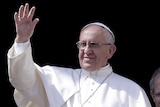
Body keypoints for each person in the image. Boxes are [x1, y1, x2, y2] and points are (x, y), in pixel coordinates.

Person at [7, 3, 152, 107]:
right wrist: (22, 40)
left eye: (94, 44)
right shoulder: (55, 78)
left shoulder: (132, 91)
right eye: (82, 44)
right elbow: (22, 80)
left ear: (110, 51)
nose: (87, 50)